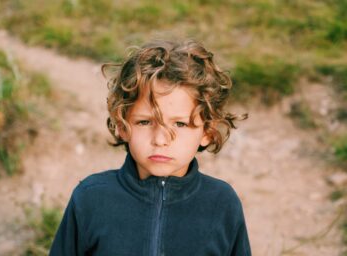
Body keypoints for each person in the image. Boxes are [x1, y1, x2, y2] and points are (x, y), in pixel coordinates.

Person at [49, 39, 251, 256]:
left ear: (207, 132)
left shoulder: (221, 203)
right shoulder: (90, 198)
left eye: (180, 124)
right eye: (145, 122)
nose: (160, 140)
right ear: (122, 125)